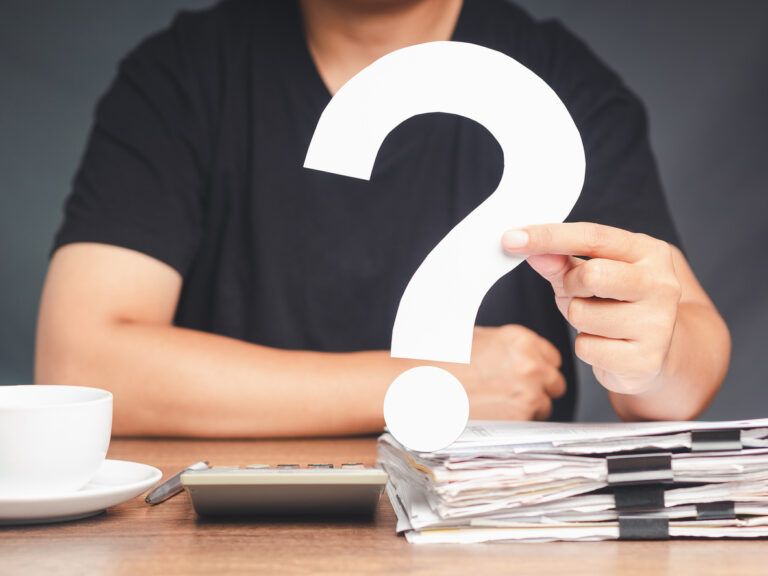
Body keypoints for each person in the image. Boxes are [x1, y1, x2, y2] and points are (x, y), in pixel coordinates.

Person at [35, 0, 730, 437]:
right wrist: (426, 385)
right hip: (234, 530)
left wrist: (653, 355)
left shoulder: (564, 81)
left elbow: (679, 377)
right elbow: (83, 364)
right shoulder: (183, 72)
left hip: (489, 528)